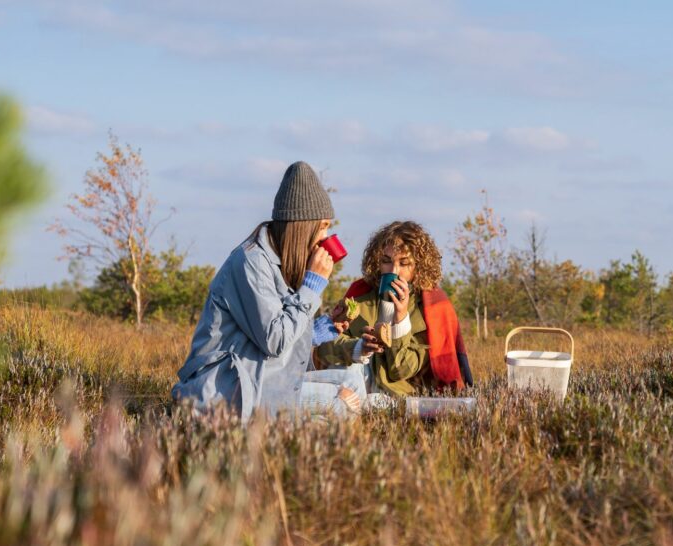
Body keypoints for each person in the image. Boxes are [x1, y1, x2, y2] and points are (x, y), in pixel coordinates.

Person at [172, 161, 362, 422]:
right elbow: (275, 340)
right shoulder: (250, 263)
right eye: (324, 226)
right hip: (231, 388)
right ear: (303, 226)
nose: (327, 236)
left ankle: (296, 437)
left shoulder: (280, 261)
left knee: (352, 380)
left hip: (266, 377)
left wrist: (319, 330)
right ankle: (288, 447)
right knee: (341, 403)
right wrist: (312, 285)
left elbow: (276, 334)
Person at [314, 221, 473, 397]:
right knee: (350, 374)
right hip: (353, 382)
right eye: (386, 261)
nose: (394, 271)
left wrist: (401, 319)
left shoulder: (430, 309)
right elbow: (324, 347)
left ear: (418, 267)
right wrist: (359, 348)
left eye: (404, 263)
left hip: (395, 396)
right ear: (377, 263)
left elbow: (401, 370)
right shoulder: (359, 296)